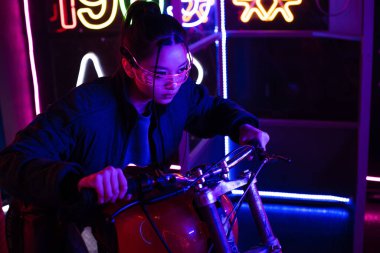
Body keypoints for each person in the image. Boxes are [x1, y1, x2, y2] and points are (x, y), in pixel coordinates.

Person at [0, 1, 269, 253]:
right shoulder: (85, 108)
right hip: (79, 229)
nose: (173, 82)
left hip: (133, 218)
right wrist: (78, 180)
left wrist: (242, 125)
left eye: (181, 69)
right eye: (159, 73)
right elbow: (11, 162)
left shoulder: (180, 92)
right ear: (128, 66)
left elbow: (209, 107)